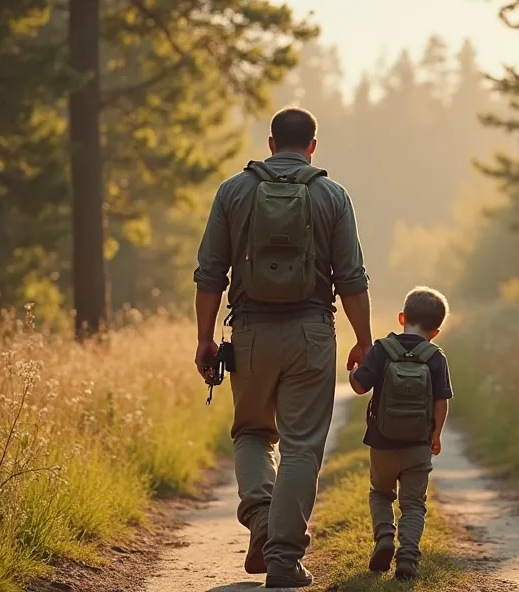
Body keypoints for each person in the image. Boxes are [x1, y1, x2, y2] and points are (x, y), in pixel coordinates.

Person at [193, 106, 373, 589]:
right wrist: (364, 340)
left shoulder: (233, 191)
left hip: (250, 332)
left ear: (271, 143)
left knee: (251, 432)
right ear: (313, 146)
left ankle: (261, 518)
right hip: (312, 334)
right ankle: (284, 558)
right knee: (300, 447)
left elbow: (210, 273)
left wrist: (205, 338)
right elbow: (351, 277)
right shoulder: (332, 195)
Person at [348, 287, 453, 581]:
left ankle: (383, 537)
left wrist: (353, 370)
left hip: (382, 443)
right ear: (435, 331)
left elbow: (358, 386)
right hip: (418, 445)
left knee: (380, 493)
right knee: (413, 504)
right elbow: (441, 401)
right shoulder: (435, 357)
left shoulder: (383, 349)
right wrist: (436, 436)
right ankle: (407, 557)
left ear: (402, 317)